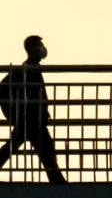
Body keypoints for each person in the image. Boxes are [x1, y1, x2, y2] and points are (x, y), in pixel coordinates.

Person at [0, 35, 67, 183]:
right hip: (31, 120)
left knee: (14, 147)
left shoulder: (31, 69)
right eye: (39, 45)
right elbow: (3, 89)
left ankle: (57, 180)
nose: (42, 49)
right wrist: (15, 114)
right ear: (31, 49)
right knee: (46, 150)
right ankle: (57, 181)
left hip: (31, 119)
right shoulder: (26, 70)